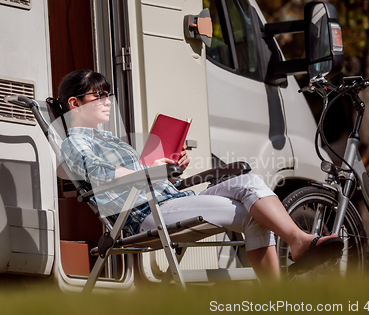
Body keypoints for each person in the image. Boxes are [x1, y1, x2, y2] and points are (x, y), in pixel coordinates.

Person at [49, 70, 343, 281]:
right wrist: (149, 170)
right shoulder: (74, 142)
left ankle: (298, 243)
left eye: (108, 94)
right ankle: (293, 258)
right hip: (141, 215)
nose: (107, 100)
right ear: (75, 104)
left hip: (168, 200)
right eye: (99, 95)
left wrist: (172, 170)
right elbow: (100, 174)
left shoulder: (112, 141)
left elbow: (144, 178)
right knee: (256, 213)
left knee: (250, 183)